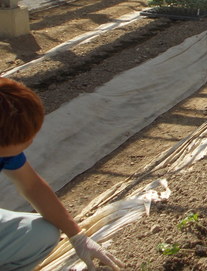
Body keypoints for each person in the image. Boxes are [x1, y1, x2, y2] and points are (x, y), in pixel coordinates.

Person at [0, 77, 124, 271]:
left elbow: (32, 186)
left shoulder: (5, 151)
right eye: (23, 139)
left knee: (42, 235)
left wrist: (77, 236)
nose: (31, 141)